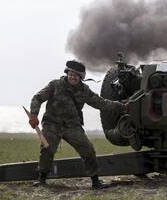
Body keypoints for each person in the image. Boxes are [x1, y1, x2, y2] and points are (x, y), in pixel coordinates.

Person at [28, 60, 127, 189]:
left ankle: (95, 181)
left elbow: (100, 103)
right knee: (47, 149)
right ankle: (41, 179)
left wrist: (121, 106)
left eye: (76, 75)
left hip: (72, 125)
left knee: (88, 150)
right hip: (52, 124)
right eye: (71, 74)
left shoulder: (85, 90)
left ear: (81, 77)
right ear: (67, 73)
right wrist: (34, 115)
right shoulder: (55, 85)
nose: (72, 77)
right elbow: (37, 98)